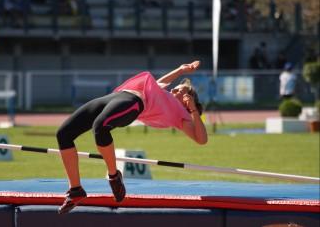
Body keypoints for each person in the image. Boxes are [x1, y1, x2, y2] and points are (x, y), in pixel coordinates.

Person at [56, 61, 208, 214]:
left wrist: (193, 110)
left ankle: (114, 176)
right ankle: (76, 189)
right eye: (176, 88)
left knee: (100, 127)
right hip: (115, 96)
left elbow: (201, 139)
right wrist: (181, 70)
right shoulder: (162, 93)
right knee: (63, 134)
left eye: (180, 91)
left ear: (187, 100)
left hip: (132, 103)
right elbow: (160, 82)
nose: (174, 89)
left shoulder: (180, 115)